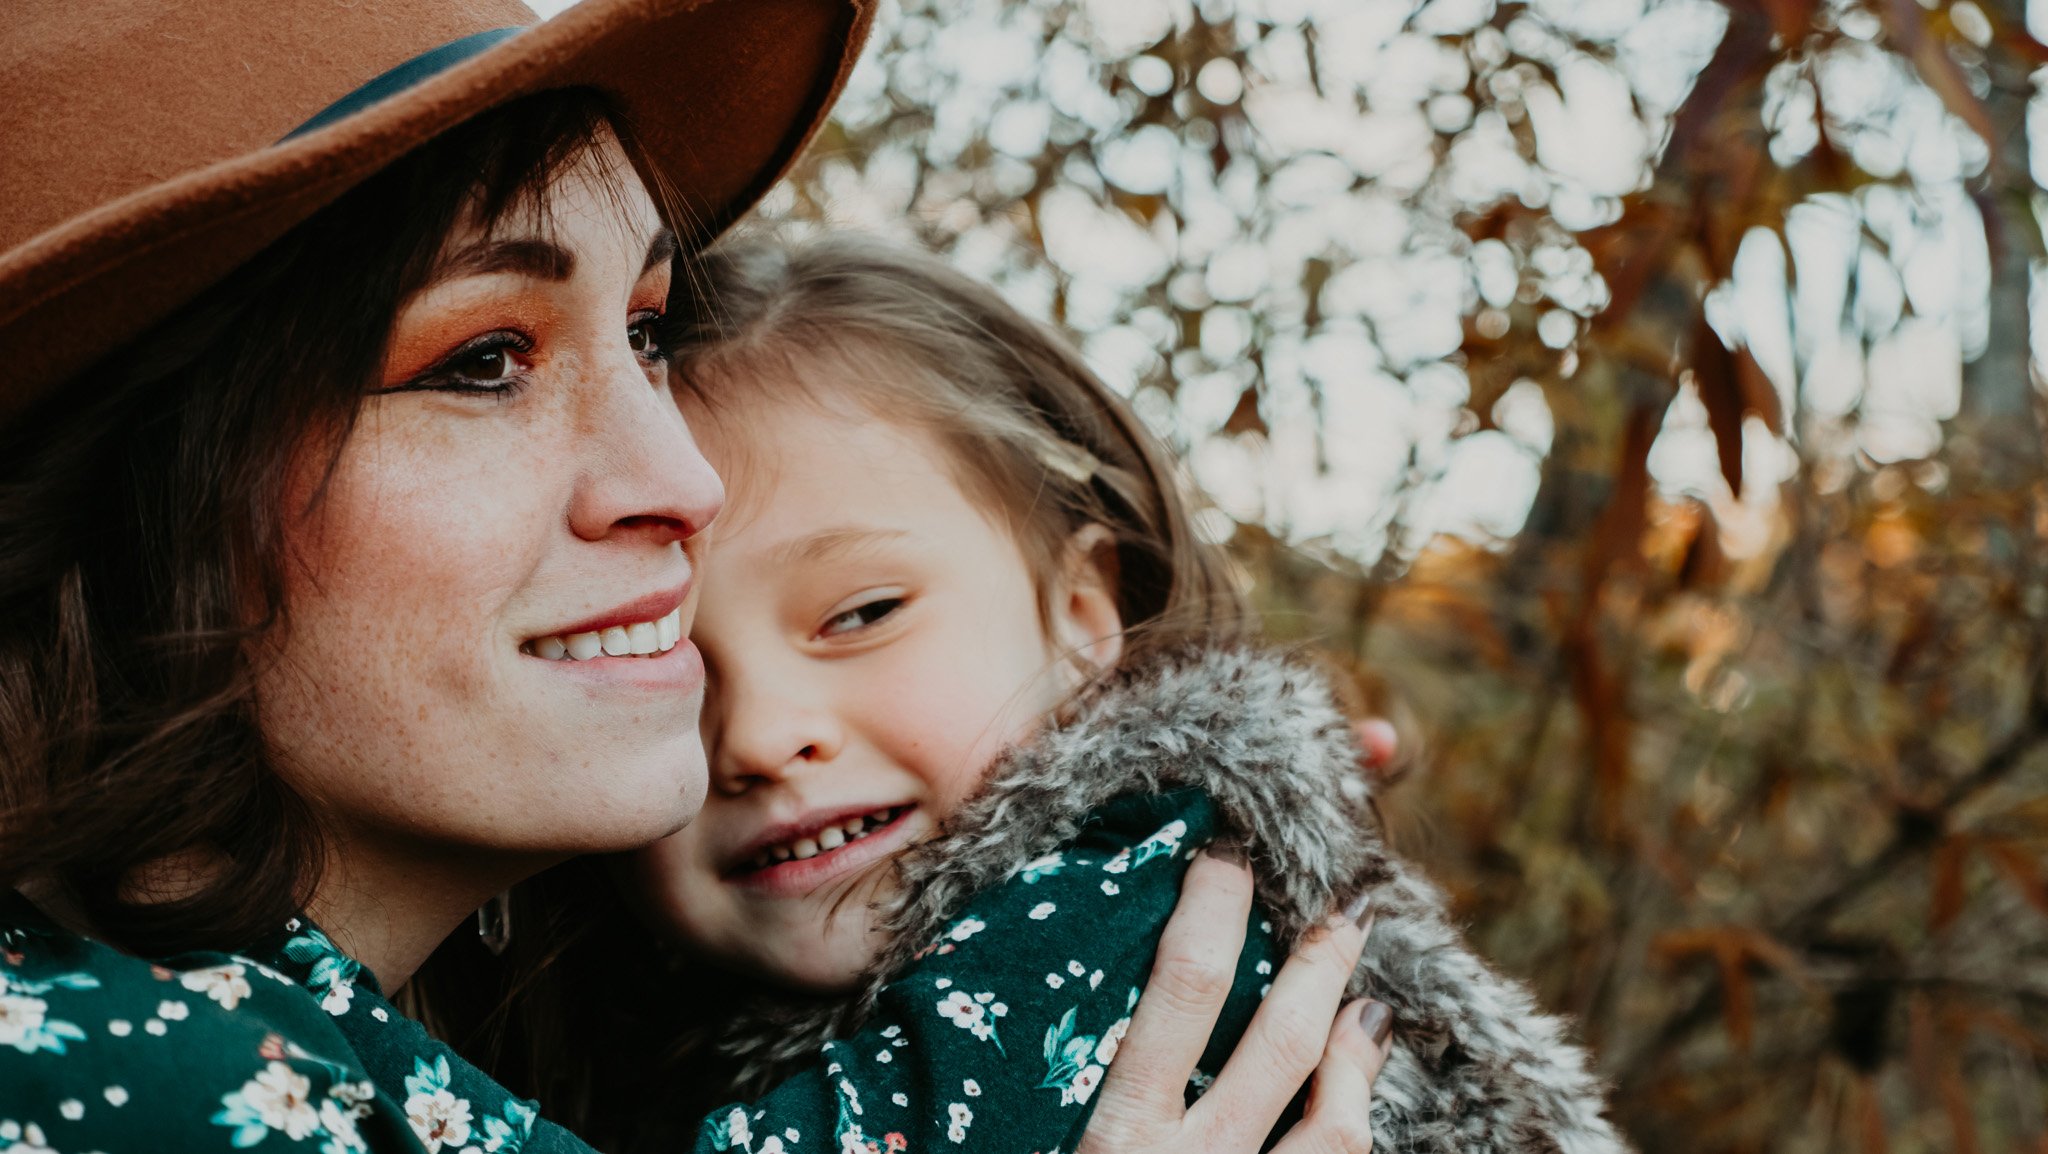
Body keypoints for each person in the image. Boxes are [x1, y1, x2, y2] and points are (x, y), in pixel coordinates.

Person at [0, 0, 1387, 1150]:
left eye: (650, 331)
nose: (682, 480)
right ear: (126, 490)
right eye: (485, 359)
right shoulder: (133, 1083)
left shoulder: (425, 1063)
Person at [526, 233, 1625, 1153]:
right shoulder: (653, 1026)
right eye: (652, 649)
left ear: (1082, 613)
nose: (760, 736)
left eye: (859, 614)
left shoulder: (1131, 911)